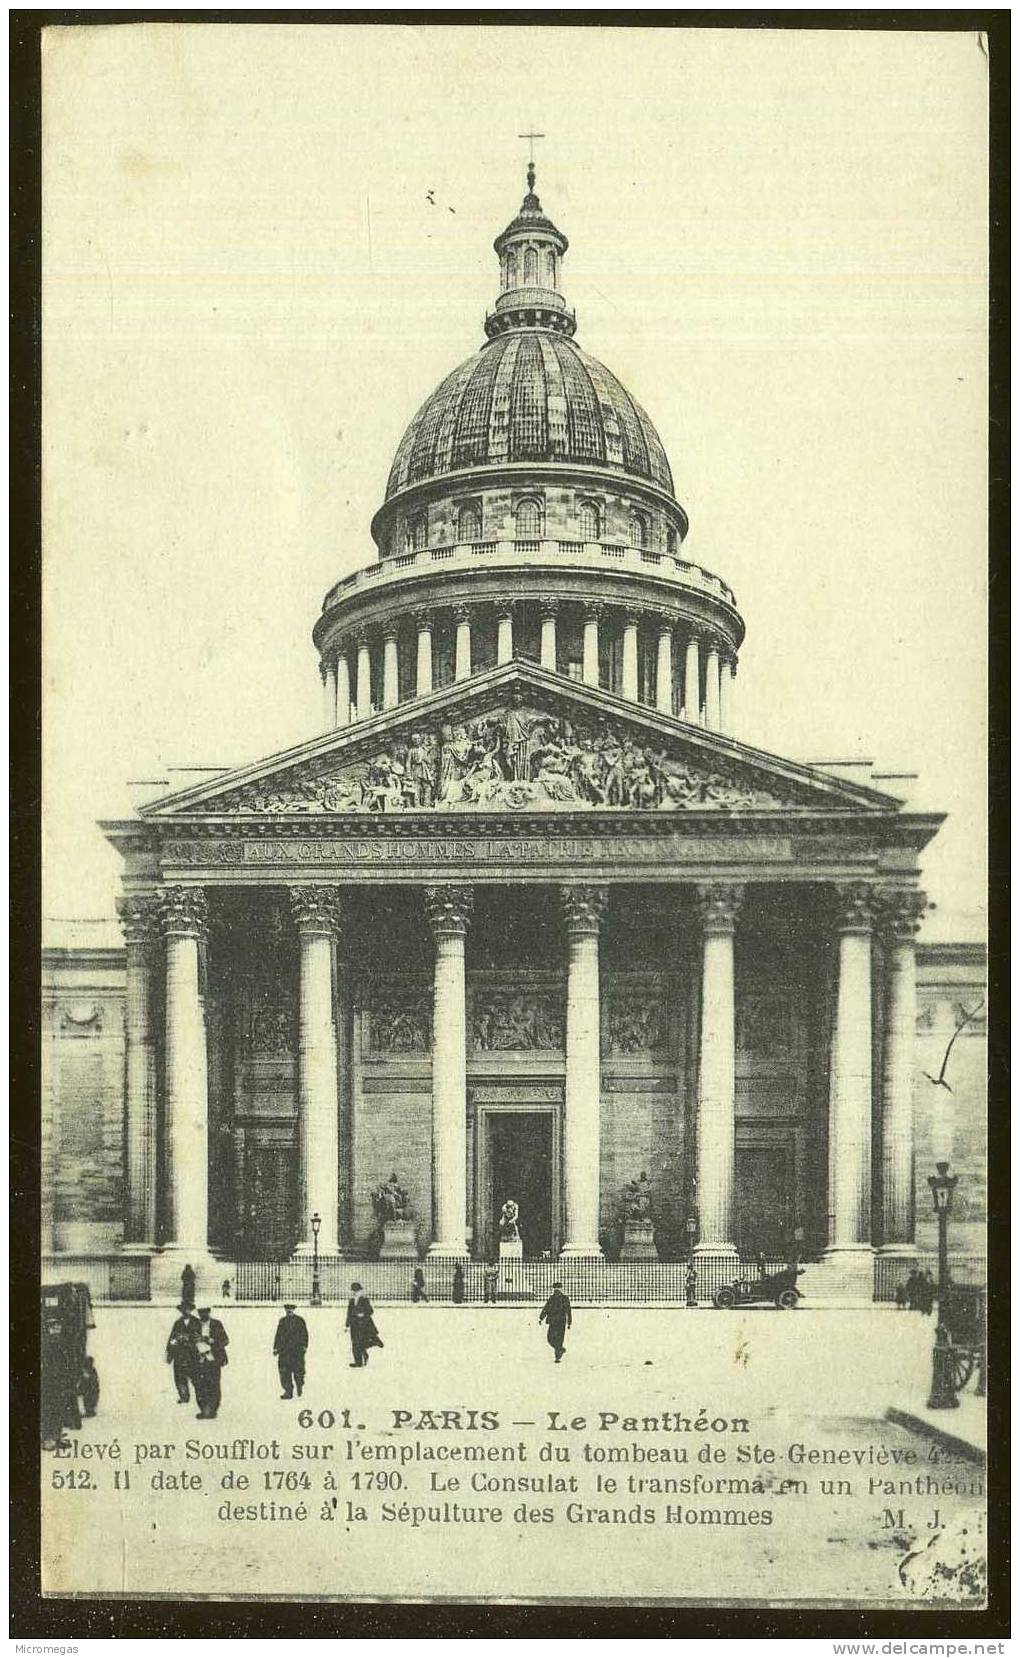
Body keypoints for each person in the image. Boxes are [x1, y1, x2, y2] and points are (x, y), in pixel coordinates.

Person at [192, 1307, 229, 1420]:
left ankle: (212, 1410)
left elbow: (225, 1340)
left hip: (213, 1360)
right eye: (200, 1312)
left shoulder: (216, 1324)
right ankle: (204, 1410)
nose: (202, 1314)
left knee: (213, 1385)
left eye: (205, 1312)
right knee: (199, 1386)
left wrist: (211, 1340)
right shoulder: (194, 1325)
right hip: (198, 1360)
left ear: (209, 1312)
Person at [273, 1302, 309, 1399]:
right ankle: (288, 1391)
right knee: (284, 1372)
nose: (289, 1311)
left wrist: (304, 1346)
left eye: (291, 1309)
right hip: (284, 1351)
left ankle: (299, 1385)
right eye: (287, 1310)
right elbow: (278, 1335)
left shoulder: (300, 1321)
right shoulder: (282, 1321)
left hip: (297, 1351)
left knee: (298, 1371)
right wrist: (276, 1348)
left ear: (293, 1310)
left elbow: (305, 1334)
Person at [166, 1303, 200, 1404]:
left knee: (196, 1376)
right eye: (184, 1310)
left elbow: (199, 1336)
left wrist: (189, 1339)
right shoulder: (178, 1323)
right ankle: (184, 1396)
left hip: (193, 1354)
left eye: (188, 1309)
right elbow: (173, 1338)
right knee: (180, 1377)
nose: (186, 1311)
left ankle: (200, 1395)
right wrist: (170, 1353)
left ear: (191, 1310)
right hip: (179, 1354)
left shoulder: (196, 1322)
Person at [345, 1282, 384, 1368]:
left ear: (360, 1291)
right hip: (354, 1325)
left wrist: (362, 1314)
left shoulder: (364, 1299)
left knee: (361, 1342)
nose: (354, 1292)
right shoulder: (351, 1301)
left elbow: (370, 1311)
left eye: (356, 1291)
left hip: (363, 1325)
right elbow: (349, 1313)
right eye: (353, 1291)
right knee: (355, 1343)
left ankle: (374, 1343)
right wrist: (347, 1325)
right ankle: (358, 1362)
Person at [539, 1282, 572, 1363]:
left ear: (561, 1290)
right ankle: (560, 1350)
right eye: (555, 1289)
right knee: (550, 1338)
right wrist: (541, 1318)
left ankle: (557, 1357)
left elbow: (568, 1311)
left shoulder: (565, 1298)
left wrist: (569, 1322)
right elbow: (546, 1308)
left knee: (559, 1340)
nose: (556, 1291)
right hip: (553, 1321)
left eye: (558, 1289)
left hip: (561, 1321)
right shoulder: (551, 1298)